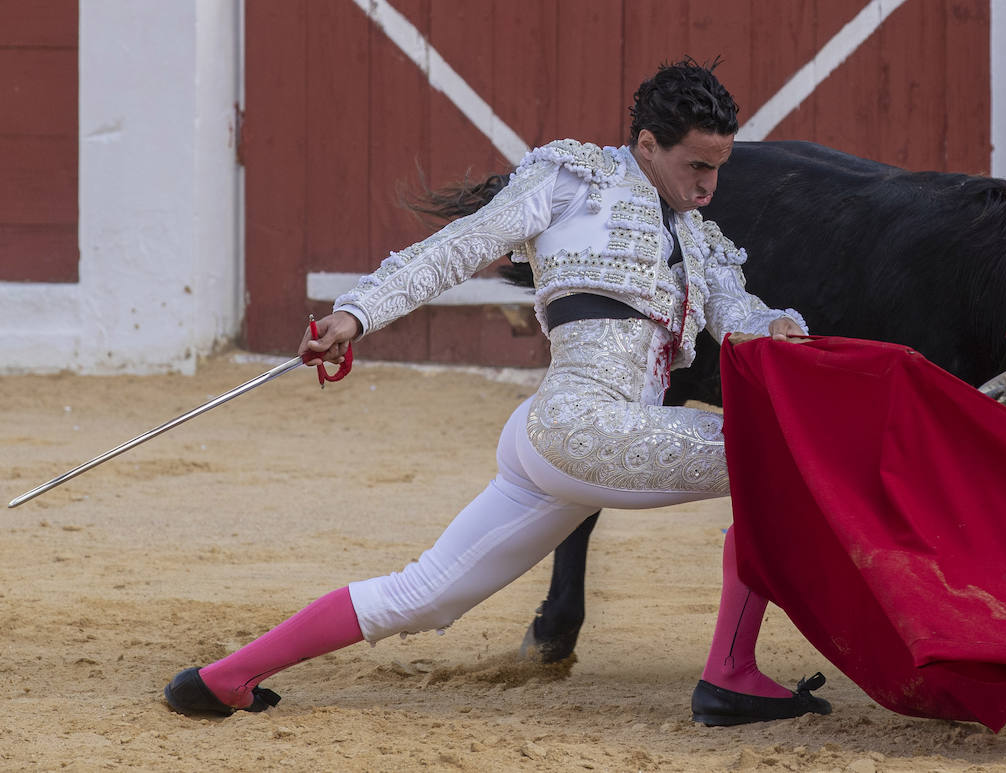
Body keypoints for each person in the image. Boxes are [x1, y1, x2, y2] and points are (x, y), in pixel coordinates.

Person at [163, 57, 830, 727]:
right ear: (649, 145)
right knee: (769, 455)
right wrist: (357, 312)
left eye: (718, 168)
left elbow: (738, 316)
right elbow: (459, 244)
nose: (710, 186)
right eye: (696, 167)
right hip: (578, 427)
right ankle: (731, 674)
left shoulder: (697, 237)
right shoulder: (575, 180)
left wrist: (776, 327)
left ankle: (223, 678)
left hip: (564, 446)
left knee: (426, 596)